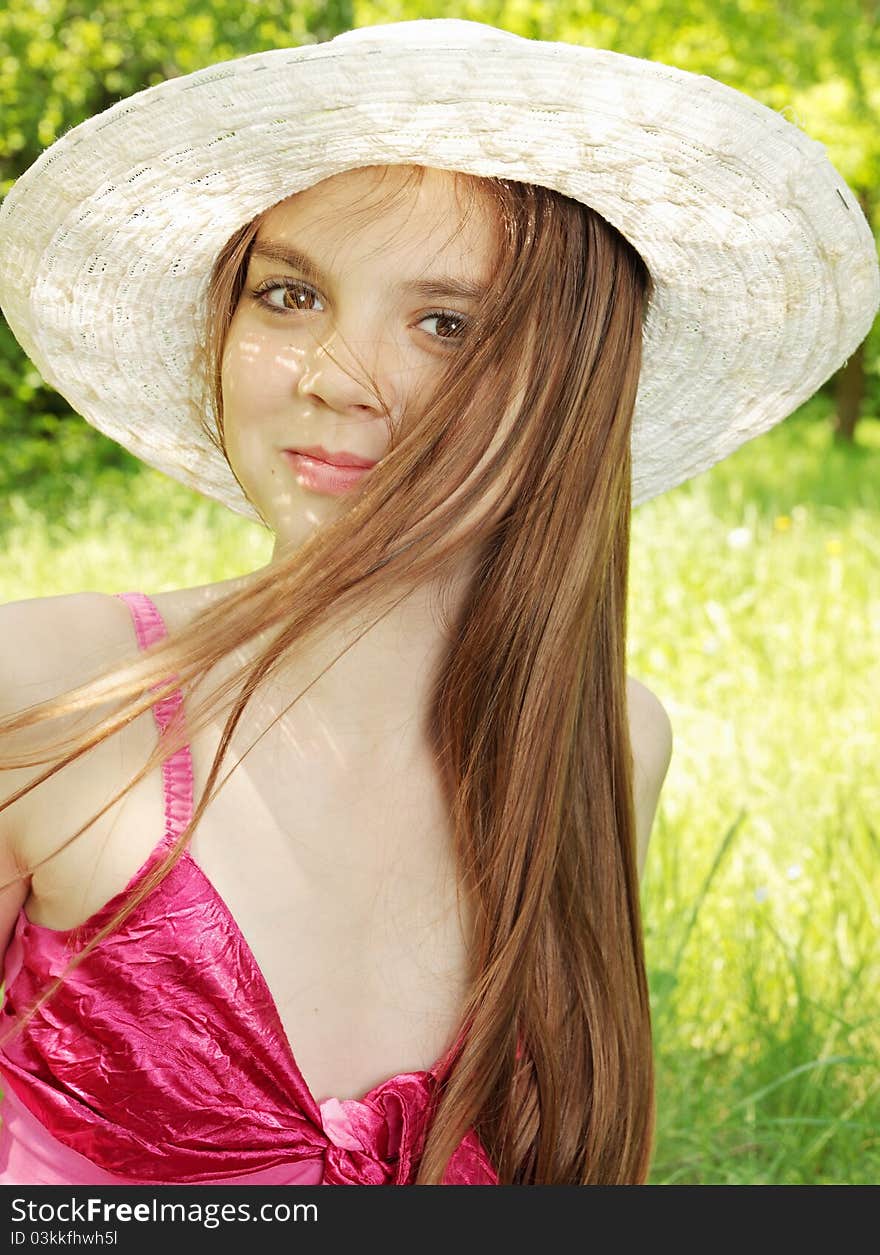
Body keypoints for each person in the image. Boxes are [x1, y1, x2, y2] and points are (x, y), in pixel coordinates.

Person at [0, 19, 876, 1188]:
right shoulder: (54, 692)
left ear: (571, 380)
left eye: (445, 324)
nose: (332, 375)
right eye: (288, 294)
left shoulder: (610, 742)